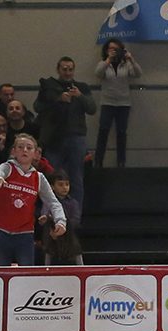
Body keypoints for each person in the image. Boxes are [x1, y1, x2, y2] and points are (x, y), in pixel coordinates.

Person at [0, 133, 66, 267]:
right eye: (20, 147)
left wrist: (61, 221)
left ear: (35, 154)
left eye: (29, 148)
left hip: (25, 234)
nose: (24, 150)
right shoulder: (7, 168)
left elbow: (53, 202)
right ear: (13, 151)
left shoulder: (38, 177)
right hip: (2, 232)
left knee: (26, 273)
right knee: (1, 273)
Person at [35, 57, 96, 209]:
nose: (68, 72)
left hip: (76, 136)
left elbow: (92, 109)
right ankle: (52, 214)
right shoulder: (49, 86)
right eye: (64, 69)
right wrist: (57, 99)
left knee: (76, 178)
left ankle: (74, 217)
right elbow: (37, 106)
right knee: (52, 178)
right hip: (54, 138)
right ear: (58, 70)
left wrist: (79, 96)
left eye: (70, 69)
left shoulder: (82, 87)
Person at [95, 39, 142, 169]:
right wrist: (108, 59)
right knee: (103, 131)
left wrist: (131, 59)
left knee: (121, 133)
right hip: (107, 102)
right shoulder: (104, 64)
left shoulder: (125, 64)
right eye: (111, 48)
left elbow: (138, 74)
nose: (113, 51)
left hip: (123, 104)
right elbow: (98, 73)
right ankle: (98, 161)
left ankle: (121, 161)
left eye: (116, 49)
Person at [41, 170, 83, 265]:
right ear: (52, 187)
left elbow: (76, 221)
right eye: (60, 185)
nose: (64, 187)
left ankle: (80, 269)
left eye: (67, 184)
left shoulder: (73, 203)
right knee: (49, 239)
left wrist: (63, 228)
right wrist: (44, 219)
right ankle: (46, 269)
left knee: (75, 245)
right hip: (52, 235)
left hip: (69, 235)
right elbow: (45, 214)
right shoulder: (48, 202)